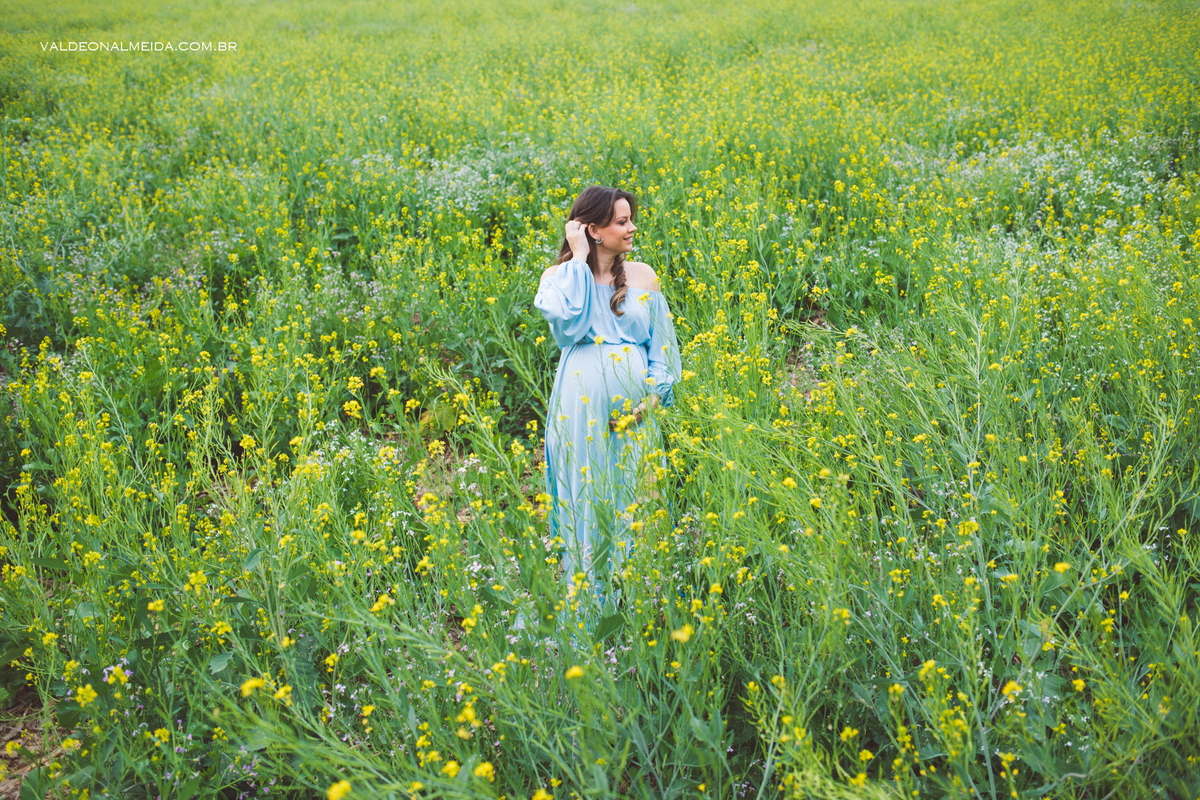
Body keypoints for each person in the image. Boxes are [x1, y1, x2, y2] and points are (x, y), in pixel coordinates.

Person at [534, 185, 681, 614]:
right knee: (587, 495)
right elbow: (568, 329)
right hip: (580, 410)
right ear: (593, 230)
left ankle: (639, 608)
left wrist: (653, 400)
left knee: (638, 495)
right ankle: (590, 610)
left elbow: (664, 351)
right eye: (622, 221)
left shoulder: (643, 276)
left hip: (636, 413)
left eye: (630, 218)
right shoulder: (558, 278)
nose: (632, 227)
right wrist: (578, 261)